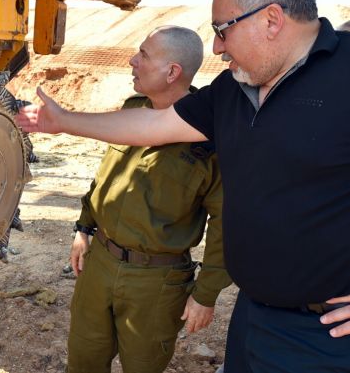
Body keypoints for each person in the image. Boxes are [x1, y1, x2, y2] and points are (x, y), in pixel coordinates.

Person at [16, 0, 350, 373]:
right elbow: (155, 125)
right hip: (255, 317)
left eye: (223, 30)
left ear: (271, 20)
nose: (217, 46)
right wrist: (65, 121)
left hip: (336, 336)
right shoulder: (234, 88)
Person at [66, 25, 231, 373]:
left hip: (155, 283)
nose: (132, 60)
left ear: (172, 72)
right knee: (83, 362)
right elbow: (106, 176)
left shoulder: (212, 138)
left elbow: (225, 223)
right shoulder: (133, 108)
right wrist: (84, 227)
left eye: (143, 55)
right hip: (100, 264)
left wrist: (206, 294)